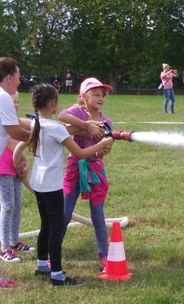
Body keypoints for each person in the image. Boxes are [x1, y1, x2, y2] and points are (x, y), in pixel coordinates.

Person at [14, 83, 113, 286]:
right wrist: (102, 143)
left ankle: (42, 266)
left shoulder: (36, 124)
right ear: (53, 103)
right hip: (52, 186)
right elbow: (80, 153)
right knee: (56, 228)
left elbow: (67, 129)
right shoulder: (56, 128)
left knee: (46, 226)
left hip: (38, 183)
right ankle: (57, 275)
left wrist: (88, 127)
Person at [58, 77, 114, 273]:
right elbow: (62, 116)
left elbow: (101, 151)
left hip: (95, 170)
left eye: (102, 95)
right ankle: (52, 253)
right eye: (95, 94)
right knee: (64, 214)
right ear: (83, 96)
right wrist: (86, 125)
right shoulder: (77, 111)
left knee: (98, 215)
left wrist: (102, 151)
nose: (100, 98)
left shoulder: (107, 121)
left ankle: (104, 257)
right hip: (74, 168)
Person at [0, 57, 31, 288]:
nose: (20, 81)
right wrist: (41, 138)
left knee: (14, 204)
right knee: (7, 205)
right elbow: (14, 131)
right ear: (9, 77)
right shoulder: (3, 97)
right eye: (18, 76)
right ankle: (4, 248)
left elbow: (19, 125)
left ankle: (11, 242)